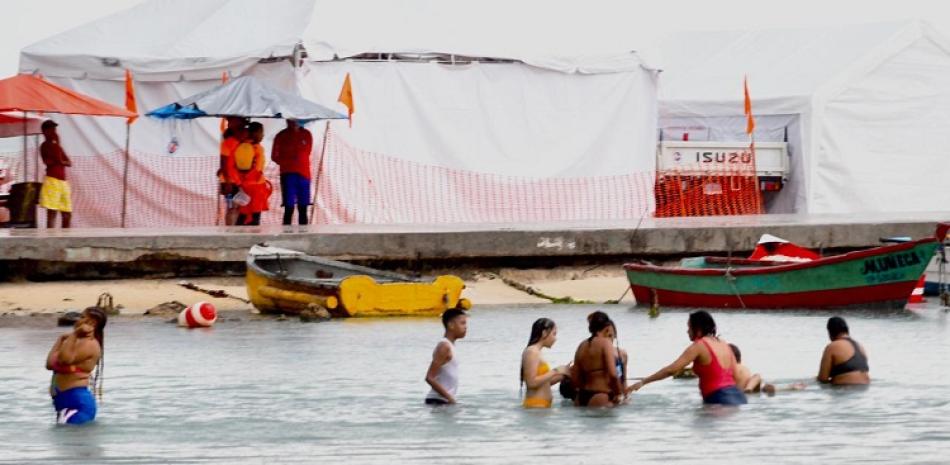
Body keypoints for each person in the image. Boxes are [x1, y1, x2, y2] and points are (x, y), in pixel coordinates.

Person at [629, 311, 747, 405]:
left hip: (718, 399)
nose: (687, 331)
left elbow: (671, 370)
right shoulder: (724, 344)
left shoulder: (699, 346)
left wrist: (644, 382)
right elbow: (737, 377)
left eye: (689, 327)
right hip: (738, 398)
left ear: (698, 330)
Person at [45, 306, 107, 425]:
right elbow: (49, 364)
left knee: (73, 442)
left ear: (92, 323)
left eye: (82, 317)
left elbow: (64, 359)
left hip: (77, 404)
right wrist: (60, 339)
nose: (77, 320)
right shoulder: (74, 341)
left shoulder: (89, 344)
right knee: (68, 442)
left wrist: (73, 335)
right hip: (66, 403)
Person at [571, 311, 622, 407]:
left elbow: (575, 377)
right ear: (607, 328)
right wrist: (619, 394)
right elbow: (613, 374)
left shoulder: (581, 346)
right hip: (600, 395)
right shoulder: (605, 343)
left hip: (581, 396)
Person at [272, 119, 314, 225]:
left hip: (304, 174)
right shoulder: (281, 136)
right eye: (291, 120)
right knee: (288, 207)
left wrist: (298, 161)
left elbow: (307, 152)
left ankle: (304, 235)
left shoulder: (307, 134)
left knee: (303, 207)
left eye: (296, 120)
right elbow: (274, 156)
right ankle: (286, 235)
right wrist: (288, 162)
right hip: (288, 175)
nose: (294, 122)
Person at [520, 318, 569, 409]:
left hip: (541, 408)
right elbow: (531, 382)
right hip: (536, 407)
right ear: (544, 333)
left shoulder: (537, 352)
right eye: (554, 334)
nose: (555, 338)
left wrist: (563, 374)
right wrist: (555, 371)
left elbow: (544, 383)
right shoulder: (532, 351)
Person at [230, 122, 271, 226]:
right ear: (256, 133)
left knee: (243, 213)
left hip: (244, 186)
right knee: (256, 215)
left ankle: (238, 235)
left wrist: (239, 182)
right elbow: (258, 168)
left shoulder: (239, 146)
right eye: (261, 132)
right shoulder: (257, 148)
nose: (263, 135)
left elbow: (233, 167)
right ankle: (254, 239)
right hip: (257, 186)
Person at [425, 309, 468, 405]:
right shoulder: (444, 346)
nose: (466, 327)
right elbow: (429, 377)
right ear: (451, 325)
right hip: (437, 401)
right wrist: (450, 399)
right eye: (462, 323)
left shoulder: (450, 346)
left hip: (444, 401)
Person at [38, 120, 72, 228]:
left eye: (54, 129)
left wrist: (60, 160)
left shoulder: (57, 145)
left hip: (63, 182)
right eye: (51, 129)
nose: (54, 131)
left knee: (67, 213)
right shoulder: (44, 146)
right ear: (44, 131)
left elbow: (68, 162)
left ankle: (66, 237)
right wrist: (60, 160)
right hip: (52, 181)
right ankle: (50, 238)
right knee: (52, 212)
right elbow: (49, 162)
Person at [817, 316, 870, 385]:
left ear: (830, 332)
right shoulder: (860, 346)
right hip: (865, 388)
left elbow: (823, 379)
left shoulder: (832, 347)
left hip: (844, 390)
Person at [219, 117, 248, 225]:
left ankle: (234, 229)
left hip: (237, 181)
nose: (245, 133)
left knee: (237, 207)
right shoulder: (228, 143)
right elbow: (223, 162)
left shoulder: (241, 144)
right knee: (231, 208)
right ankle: (230, 230)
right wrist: (226, 181)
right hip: (229, 181)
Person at [606, 321, 630, 398]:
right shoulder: (597, 354)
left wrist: (626, 396)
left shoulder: (622, 354)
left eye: (610, 336)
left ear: (615, 336)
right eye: (604, 336)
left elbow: (624, 380)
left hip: (619, 395)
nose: (607, 339)